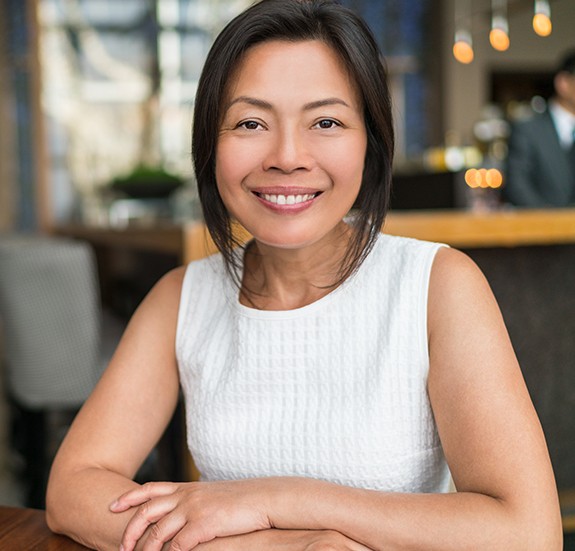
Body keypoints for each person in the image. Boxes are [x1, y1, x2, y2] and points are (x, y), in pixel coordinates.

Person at [46, 1, 562, 549]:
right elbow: (72, 489)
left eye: (326, 122)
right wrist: (286, 545)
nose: (288, 156)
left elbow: (528, 533)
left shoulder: (437, 285)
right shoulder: (182, 297)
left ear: (372, 142)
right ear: (208, 144)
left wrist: (275, 500)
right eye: (250, 123)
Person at [504, 49, 575, 207]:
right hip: (544, 226)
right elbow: (517, 185)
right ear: (563, 83)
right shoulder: (528, 129)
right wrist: (552, 223)